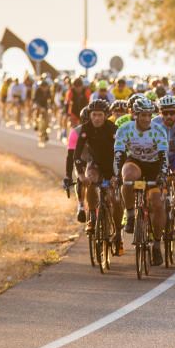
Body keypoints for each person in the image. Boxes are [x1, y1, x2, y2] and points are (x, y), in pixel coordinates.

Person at [114, 97, 170, 265]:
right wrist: (117, 175)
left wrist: (162, 175)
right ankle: (130, 214)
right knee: (127, 177)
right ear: (134, 115)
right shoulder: (124, 129)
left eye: (149, 115)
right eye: (142, 115)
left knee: (157, 204)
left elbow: (163, 157)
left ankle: (157, 245)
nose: (146, 119)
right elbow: (118, 155)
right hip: (135, 163)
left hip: (154, 167)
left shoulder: (158, 130)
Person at [67, 99, 122, 250]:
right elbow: (76, 156)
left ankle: (118, 233)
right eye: (94, 115)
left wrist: (116, 176)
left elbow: (121, 153)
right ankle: (92, 215)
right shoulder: (86, 129)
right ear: (90, 115)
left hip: (112, 165)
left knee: (115, 199)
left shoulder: (113, 129)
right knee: (89, 180)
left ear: (106, 116)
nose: (96, 118)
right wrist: (80, 175)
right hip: (95, 164)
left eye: (100, 115)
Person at [153, 95, 175, 243]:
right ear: (160, 112)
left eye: (172, 113)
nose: (168, 116)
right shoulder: (153, 124)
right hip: (158, 156)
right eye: (165, 113)